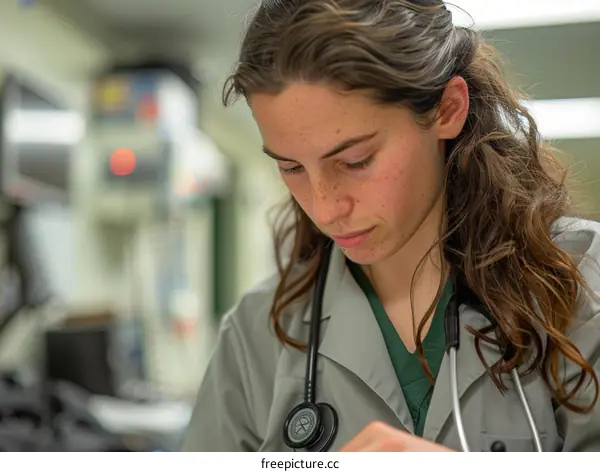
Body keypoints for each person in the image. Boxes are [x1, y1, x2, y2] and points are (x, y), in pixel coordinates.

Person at [182, 0, 600, 452]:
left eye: (355, 161)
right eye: (292, 167)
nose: (325, 209)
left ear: (447, 110)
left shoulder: (580, 283)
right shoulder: (257, 333)